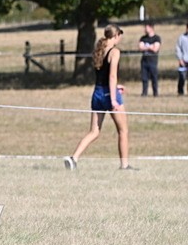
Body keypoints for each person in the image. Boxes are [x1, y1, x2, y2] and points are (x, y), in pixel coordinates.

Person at [64, 24, 136, 171]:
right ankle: (124, 165)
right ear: (115, 36)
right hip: (109, 95)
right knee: (123, 131)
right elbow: (112, 75)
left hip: (97, 93)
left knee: (94, 132)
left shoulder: (99, 50)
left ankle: (74, 158)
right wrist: (113, 98)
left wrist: (116, 87)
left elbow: (103, 77)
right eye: (119, 35)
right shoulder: (114, 52)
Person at [138, 21, 161, 97]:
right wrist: (150, 47)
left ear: (151, 28)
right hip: (144, 61)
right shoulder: (143, 38)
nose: (145, 29)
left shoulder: (156, 38)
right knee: (144, 78)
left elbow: (155, 49)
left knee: (154, 78)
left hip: (153, 61)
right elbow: (140, 48)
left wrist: (146, 47)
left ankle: (155, 93)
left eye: (146, 27)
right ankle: (144, 93)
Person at [176, 21, 188, 96]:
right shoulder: (182, 38)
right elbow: (178, 49)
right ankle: (180, 92)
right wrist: (180, 59)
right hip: (184, 61)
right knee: (182, 77)